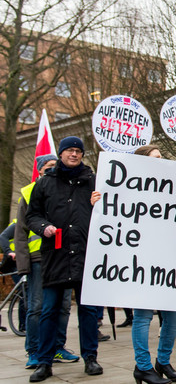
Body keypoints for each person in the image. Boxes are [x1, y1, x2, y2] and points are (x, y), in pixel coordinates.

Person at [26, 137, 102, 382]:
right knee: (49, 310)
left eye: (79, 151)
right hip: (55, 255)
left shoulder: (93, 181)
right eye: (70, 150)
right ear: (60, 153)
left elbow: (109, 213)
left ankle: (91, 357)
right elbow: (32, 215)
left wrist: (97, 206)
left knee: (88, 310)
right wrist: (43, 227)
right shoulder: (45, 183)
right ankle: (44, 361)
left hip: (85, 254)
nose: (75, 154)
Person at [122, 145, 176, 384]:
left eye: (161, 157)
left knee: (173, 317)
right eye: (156, 158)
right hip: (142, 259)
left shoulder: (171, 187)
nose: (161, 161)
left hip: (167, 259)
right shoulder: (130, 190)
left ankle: (163, 361)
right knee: (143, 316)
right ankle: (143, 366)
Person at [14, 154, 80, 369]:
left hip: (62, 257)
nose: (53, 170)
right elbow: (20, 232)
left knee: (62, 306)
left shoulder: (66, 189)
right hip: (38, 259)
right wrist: (23, 264)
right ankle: (34, 350)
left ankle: (58, 347)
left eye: (55, 166)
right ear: (39, 171)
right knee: (37, 306)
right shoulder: (28, 192)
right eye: (48, 167)